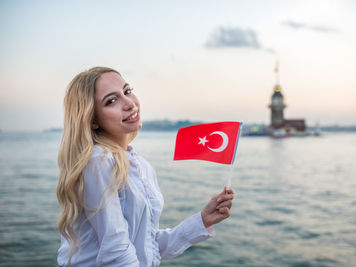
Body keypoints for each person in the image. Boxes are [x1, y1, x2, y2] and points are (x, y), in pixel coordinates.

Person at [56, 66, 234, 266]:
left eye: (127, 91)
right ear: (92, 120)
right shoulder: (98, 161)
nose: (129, 103)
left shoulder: (141, 166)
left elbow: (147, 246)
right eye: (111, 101)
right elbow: (116, 251)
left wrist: (202, 220)